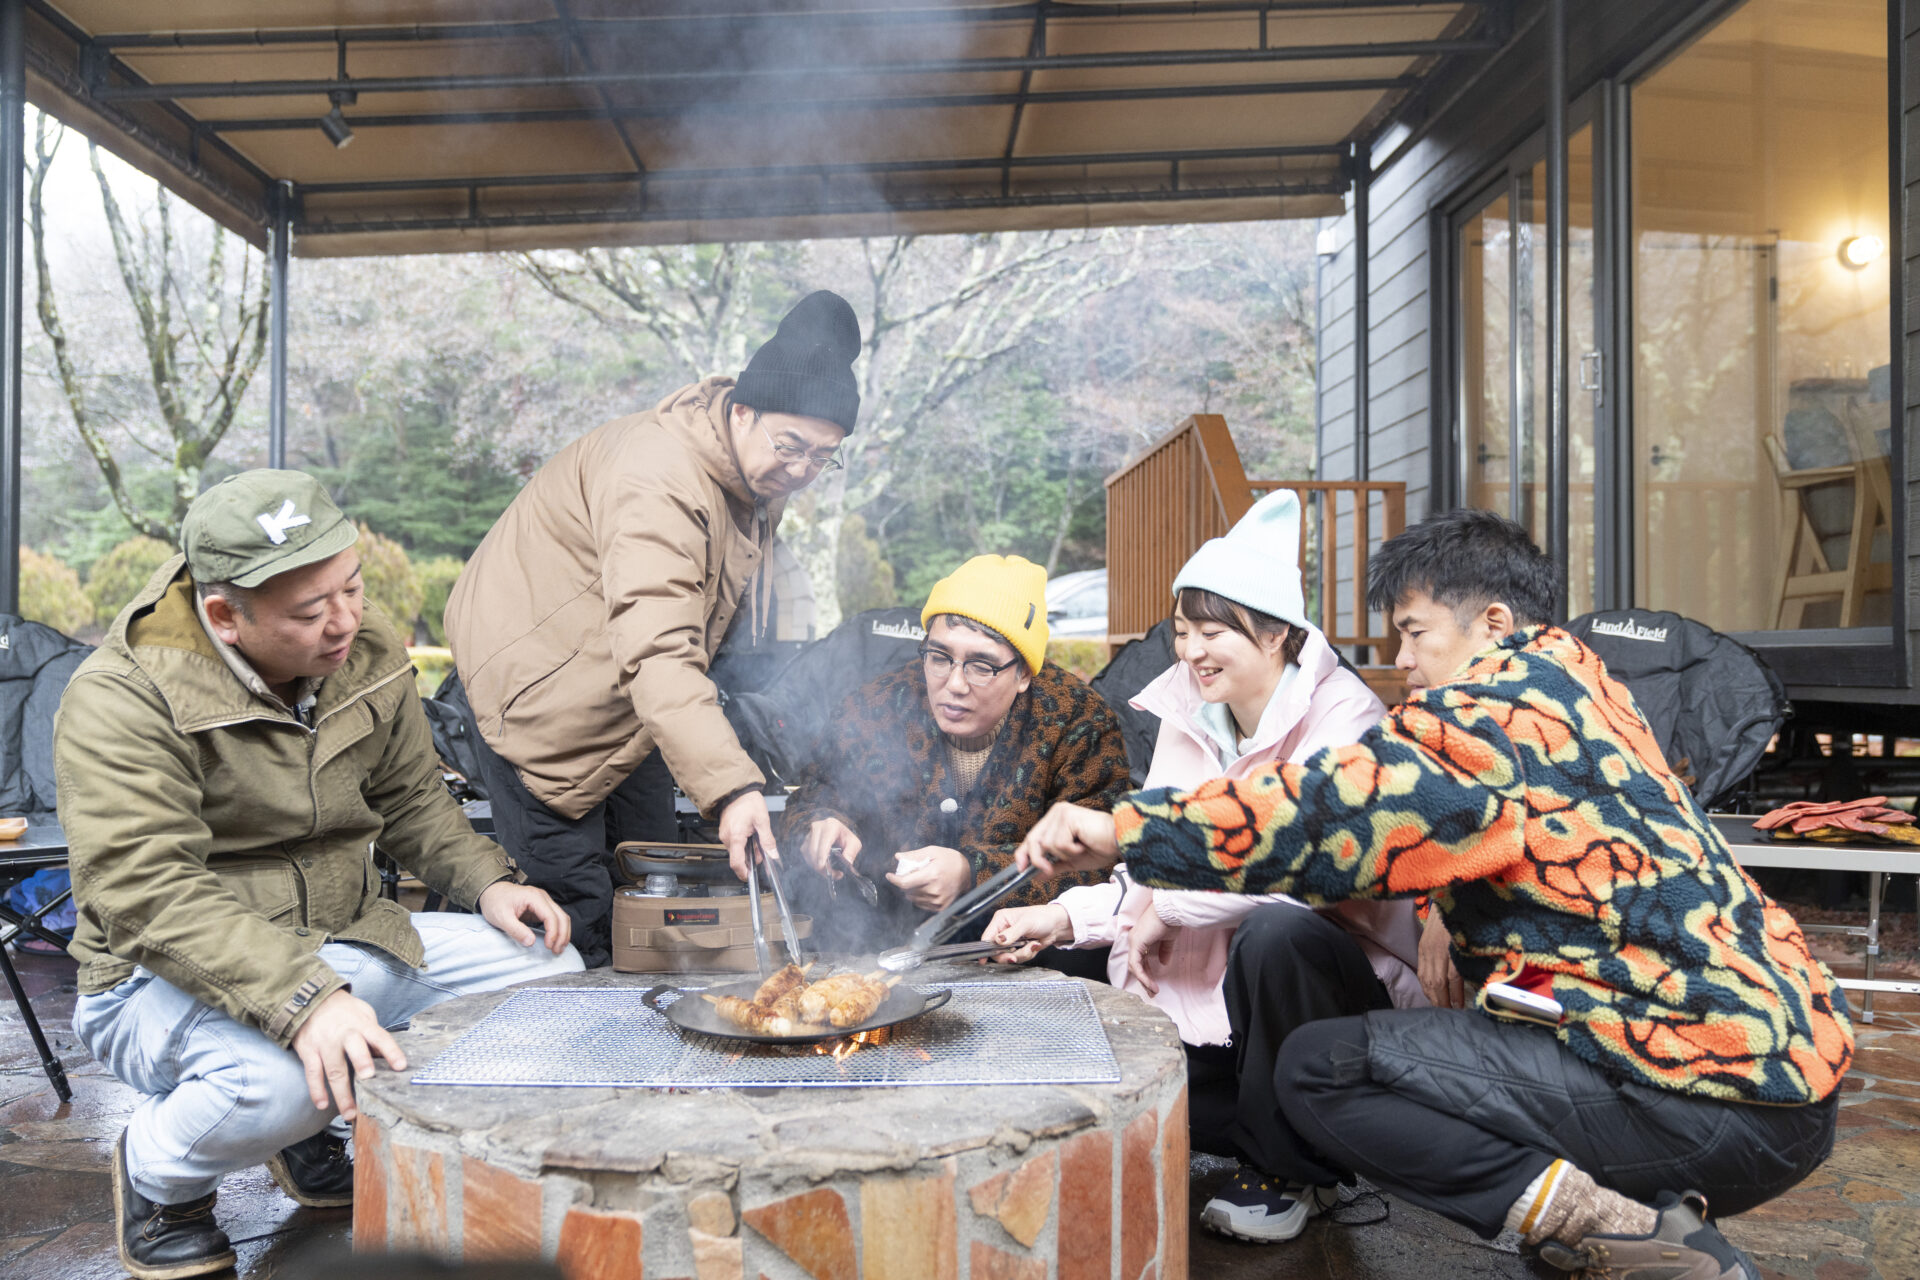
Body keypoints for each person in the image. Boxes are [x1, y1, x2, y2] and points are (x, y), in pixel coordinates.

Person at [1014, 509, 1851, 1279]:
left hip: (1696, 1087)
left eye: (1415, 633)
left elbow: (1330, 815)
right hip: (1785, 1084)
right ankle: (1616, 1227)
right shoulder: (1583, 686)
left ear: (1493, 625)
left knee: (1320, 1071)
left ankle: (1630, 1238)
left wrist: (1127, 828)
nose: (1402, 660)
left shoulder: (1487, 715)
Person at [57, 471, 583, 1280]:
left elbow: (410, 796)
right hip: (156, 981)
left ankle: (306, 1131)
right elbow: (145, 894)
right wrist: (304, 1003)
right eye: (310, 612)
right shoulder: (122, 697)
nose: (346, 622)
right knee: (276, 1082)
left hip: (341, 940)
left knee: (550, 970)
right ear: (226, 616)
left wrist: (487, 883)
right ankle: (159, 1175)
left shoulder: (363, 651)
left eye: (354, 587)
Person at [982, 491, 1422, 1234]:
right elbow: (1155, 864)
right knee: (1061, 974)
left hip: (1335, 987)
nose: (1190, 651)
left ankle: (1294, 1173)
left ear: (1279, 632)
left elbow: (1301, 867)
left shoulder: (1347, 719)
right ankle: (1234, 1128)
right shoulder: (1193, 709)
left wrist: (1170, 904)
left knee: (1277, 933)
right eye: (1184, 631)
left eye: (1214, 631)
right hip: (1212, 986)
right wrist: (1061, 916)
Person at [446, 290, 863, 966]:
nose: (801, 471)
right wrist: (732, 788)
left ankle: (649, 1035)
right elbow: (658, 645)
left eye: (823, 457)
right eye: (791, 447)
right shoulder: (658, 478)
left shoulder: (754, 475)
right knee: (576, 915)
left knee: (650, 884)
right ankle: (581, 1050)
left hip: (623, 685)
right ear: (743, 411)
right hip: (537, 688)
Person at [782, 554, 1132, 949]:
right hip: (878, 953)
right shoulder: (874, 706)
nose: (954, 684)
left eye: (981, 666)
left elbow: (1107, 865)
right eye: (939, 656)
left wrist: (972, 872)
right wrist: (824, 822)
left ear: (1023, 674)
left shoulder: (1078, 723)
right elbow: (812, 793)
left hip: (1021, 962)